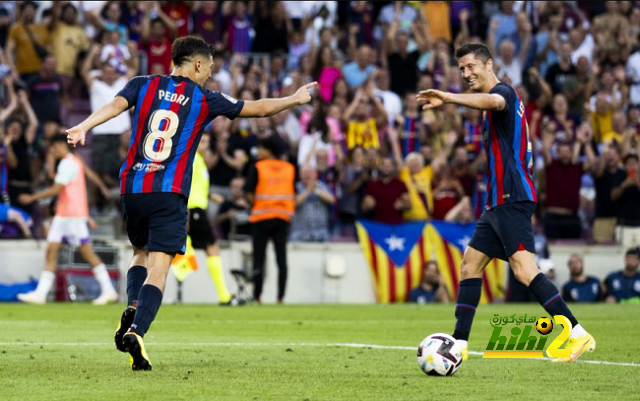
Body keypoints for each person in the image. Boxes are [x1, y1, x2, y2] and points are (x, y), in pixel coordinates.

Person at [66, 36, 316, 371]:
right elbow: (256, 108)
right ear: (198, 64)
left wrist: (84, 125)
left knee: (139, 252)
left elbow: (114, 106)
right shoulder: (204, 98)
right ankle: (137, 331)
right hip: (168, 191)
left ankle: (133, 305)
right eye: (210, 67)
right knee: (160, 266)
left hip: (133, 187)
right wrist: (295, 99)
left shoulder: (143, 83)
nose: (211, 74)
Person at [416, 43, 595, 362]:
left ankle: (577, 333)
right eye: (461, 69)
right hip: (497, 200)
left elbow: (492, 100)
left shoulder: (504, 93)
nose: (466, 73)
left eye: (471, 66)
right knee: (470, 264)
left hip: (512, 196)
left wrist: (448, 97)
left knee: (525, 272)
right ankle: (459, 342)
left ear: (488, 64)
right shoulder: (494, 107)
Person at [16, 134, 118, 305]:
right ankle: (40, 294)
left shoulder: (68, 163)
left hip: (72, 217)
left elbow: (56, 189)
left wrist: (32, 198)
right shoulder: (74, 162)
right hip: (64, 216)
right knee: (51, 250)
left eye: (53, 147)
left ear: (60, 145)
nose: (52, 150)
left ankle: (108, 290)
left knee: (87, 253)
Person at [184, 132, 237, 306]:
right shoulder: (192, 160)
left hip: (197, 208)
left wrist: (211, 195)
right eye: (202, 142)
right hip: (193, 210)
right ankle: (224, 295)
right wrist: (187, 215)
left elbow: (195, 186)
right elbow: (186, 188)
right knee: (212, 248)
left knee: (181, 252)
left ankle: (224, 295)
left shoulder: (198, 161)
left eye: (207, 142)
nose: (205, 146)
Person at [243, 136, 296, 304]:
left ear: (268, 150)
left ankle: (257, 296)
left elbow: (249, 193)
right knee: (282, 260)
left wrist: (255, 203)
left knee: (259, 259)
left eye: (260, 148)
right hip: (282, 217)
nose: (258, 151)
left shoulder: (258, 167)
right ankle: (281, 297)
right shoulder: (289, 168)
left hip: (261, 217)